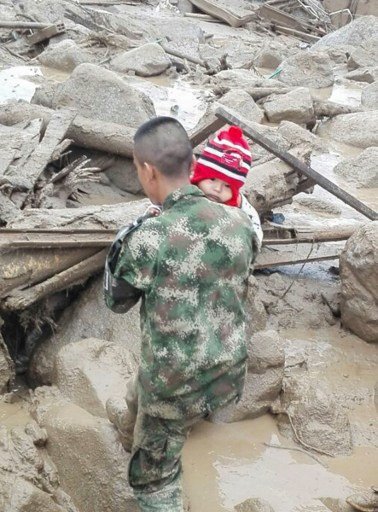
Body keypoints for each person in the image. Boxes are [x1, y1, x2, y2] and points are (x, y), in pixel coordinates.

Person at [104, 116, 255, 512]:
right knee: (143, 390)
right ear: (192, 168)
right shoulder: (241, 223)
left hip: (174, 384)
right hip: (227, 372)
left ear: (148, 172)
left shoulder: (149, 236)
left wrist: (124, 243)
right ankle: (136, 431)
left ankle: (153, 465)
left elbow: (116, 302)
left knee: (155, 483)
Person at [190, 125, 263, 250]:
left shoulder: (243, 211)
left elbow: (255, 239)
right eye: (212, 179)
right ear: (199, 176)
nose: (217, 189)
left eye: (228, 186)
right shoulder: (186, 192)